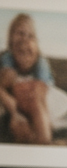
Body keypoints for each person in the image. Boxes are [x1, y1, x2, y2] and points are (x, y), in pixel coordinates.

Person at [0, 13, 54, 145]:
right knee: (10, 78)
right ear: (11, 36)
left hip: (45, 97)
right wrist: (14, 112)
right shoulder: (8, 58)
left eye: (30, 36)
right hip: (17, 98)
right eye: (20, 33)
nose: (25, 39)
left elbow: (40, 94)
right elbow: (4, 84)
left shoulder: (41, 63)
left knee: (34, 96)